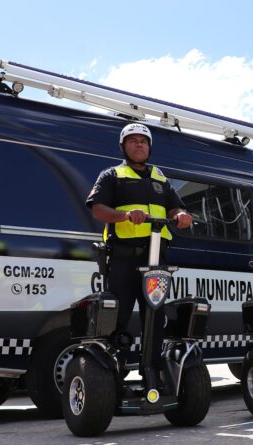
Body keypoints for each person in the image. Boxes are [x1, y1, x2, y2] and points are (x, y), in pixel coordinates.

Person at [85, 123, 192, 386]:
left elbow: (175, 208)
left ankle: (152, 373)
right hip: (124, 259)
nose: (139, 145)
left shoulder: (160, 178)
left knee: (155, 317)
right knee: (118, 317)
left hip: (156, 260)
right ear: (123, 147)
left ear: (149, 147)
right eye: (132, 141)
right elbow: (97, 209)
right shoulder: (112, 175)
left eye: (143, 141)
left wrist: (181, 215)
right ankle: (113, 375)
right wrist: (125, 216)